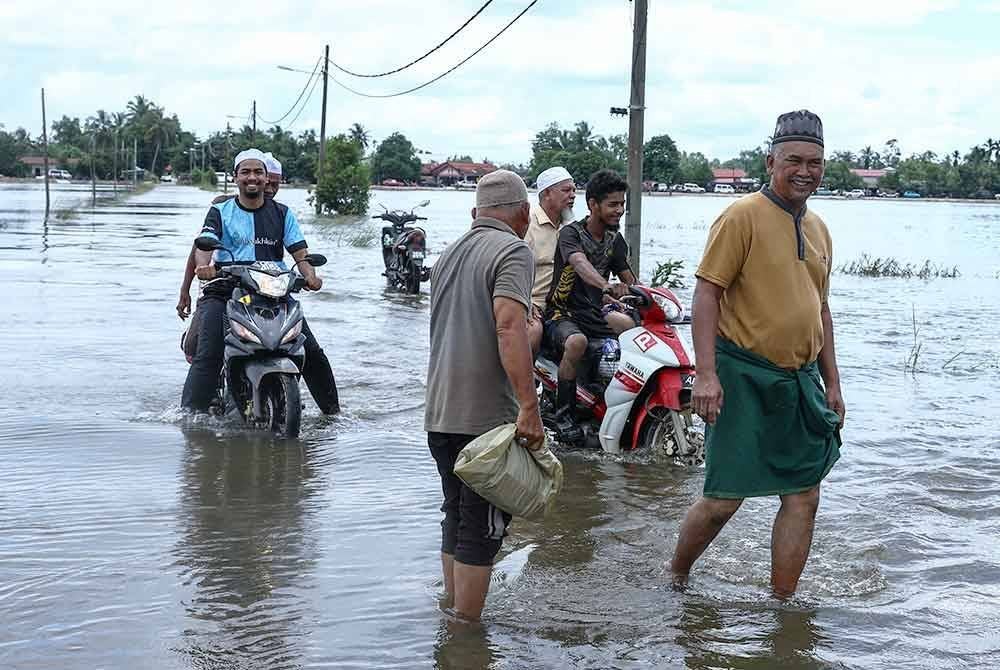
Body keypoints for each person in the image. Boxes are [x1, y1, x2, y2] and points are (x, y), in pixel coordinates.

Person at [670, 110, 846, 598]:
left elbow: (822, 310)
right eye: (794, 160)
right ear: (770, 160)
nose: (805, 171)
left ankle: (782, 603)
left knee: (804, 495)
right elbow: (706, 293)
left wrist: (833, 383)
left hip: (800, 379)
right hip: (741, 374)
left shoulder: (821, 229)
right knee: (725, 499)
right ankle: (677, 575)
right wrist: (705, 375)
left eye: (814, 161)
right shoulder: (740, 215)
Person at [425, 169, 545, 622]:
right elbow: (507, 327)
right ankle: (466, 635)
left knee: (456, 514)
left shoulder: (447, 253)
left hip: (439, 413)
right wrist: (529, 407)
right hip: (485, 420)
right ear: (523, 214)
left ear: (475, 213)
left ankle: (452, 613)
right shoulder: (514, 249)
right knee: (484, 525)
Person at [181, 149, 340, 415]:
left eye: (258, 172)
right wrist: (204, 267)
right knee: (209, 353)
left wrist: (311, 277)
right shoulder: (220, 210)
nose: (252, 177)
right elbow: (204, 245)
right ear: (235, 177)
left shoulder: (283, 214)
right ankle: (189, 419)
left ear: (267, 180)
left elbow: (300, 253)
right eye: (245, 172)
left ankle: (334, 414)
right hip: (225, 290)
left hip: (274, 292)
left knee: (310, 350)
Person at [544, 169, 637, 442]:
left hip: (595, 313)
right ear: (593, 204)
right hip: (563, 312)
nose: (619, 210)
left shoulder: (614, 240)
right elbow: (580, 263)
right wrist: (604, 286)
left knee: (633, 331)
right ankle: (565, 418)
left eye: (622, 204)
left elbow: (629, 277)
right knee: (576, 343)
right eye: (612, 204)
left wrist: (645, 295)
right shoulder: (571, 234)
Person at [177, 153, 283, 321]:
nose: (270, 190)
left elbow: (298, 251)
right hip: (224, 283)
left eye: (275, 185)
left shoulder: (280, 213)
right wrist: (185, 288)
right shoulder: (223, 207)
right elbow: (201, 248)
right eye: (269, 184)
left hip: (268, 288)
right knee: (202, 332)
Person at [524, 166, 576, 355]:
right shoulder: (526, 223)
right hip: (533, 304)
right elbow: (510, 270)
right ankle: (524, 383)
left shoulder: (572, 226)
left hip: (565, 306)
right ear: (546, 193)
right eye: (566, 190)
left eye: (574, 190)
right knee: (532, 332)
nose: (572, 195)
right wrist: (526, 302)